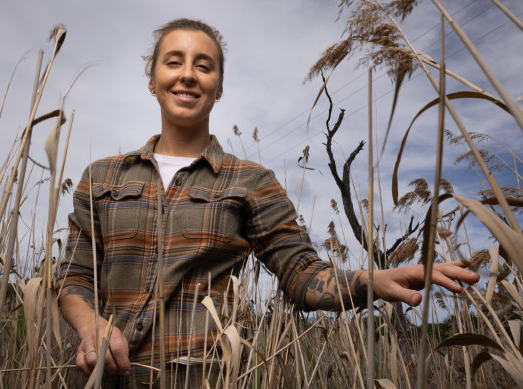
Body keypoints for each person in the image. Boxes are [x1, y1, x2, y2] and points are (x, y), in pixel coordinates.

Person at [55, 18, 480, 387]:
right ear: (153, 80)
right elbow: (73, 278)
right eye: (174, 62)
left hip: (200, 379)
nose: (188, 75)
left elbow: (302, 274)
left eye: (204, 66)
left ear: (218, 87)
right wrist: (92, 325)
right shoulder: (102, 177)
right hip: (99, 379)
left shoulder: (250, 181)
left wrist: (370, 281)